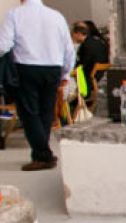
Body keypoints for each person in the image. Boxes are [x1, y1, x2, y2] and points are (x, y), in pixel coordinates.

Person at [0, 0, 75, 171]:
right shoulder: (56, 16)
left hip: (26, 67)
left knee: (29, 113)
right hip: (53, 68)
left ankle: (43, 155)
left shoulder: (14, 14)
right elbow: (68, 48)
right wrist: (65, 73)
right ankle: (40, 153)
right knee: (46, 111)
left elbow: (3, 45)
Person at [71, 22, 108, 100]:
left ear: (78, 34)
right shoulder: (98, 41)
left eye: (73, 35)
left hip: (89, 78)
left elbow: (84, 64)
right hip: (100, 74)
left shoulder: (86, 45)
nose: (72, 38)